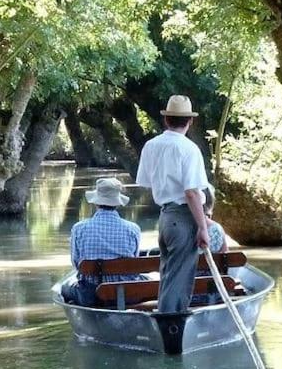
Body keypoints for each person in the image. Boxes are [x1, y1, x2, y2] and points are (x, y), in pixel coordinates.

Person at [135, 95, 210, 313]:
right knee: (179, 278)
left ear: (167, 120)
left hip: (166, 216)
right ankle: (170, 324)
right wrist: (203, 227)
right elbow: (192, 193)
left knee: (169, 273)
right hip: (184, 217)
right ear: (190, 121)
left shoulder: (151, 146)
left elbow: (146, 182)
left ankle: (166, 321)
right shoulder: (189, 149)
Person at [62, 177, 143, 307]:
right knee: (147, 281)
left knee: (64, 288)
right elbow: (134, 267)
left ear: (96, 202)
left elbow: (77, 264)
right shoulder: (133, 229)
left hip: (91, 295)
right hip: (127, 294)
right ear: (117, 203)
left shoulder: (79, 228)